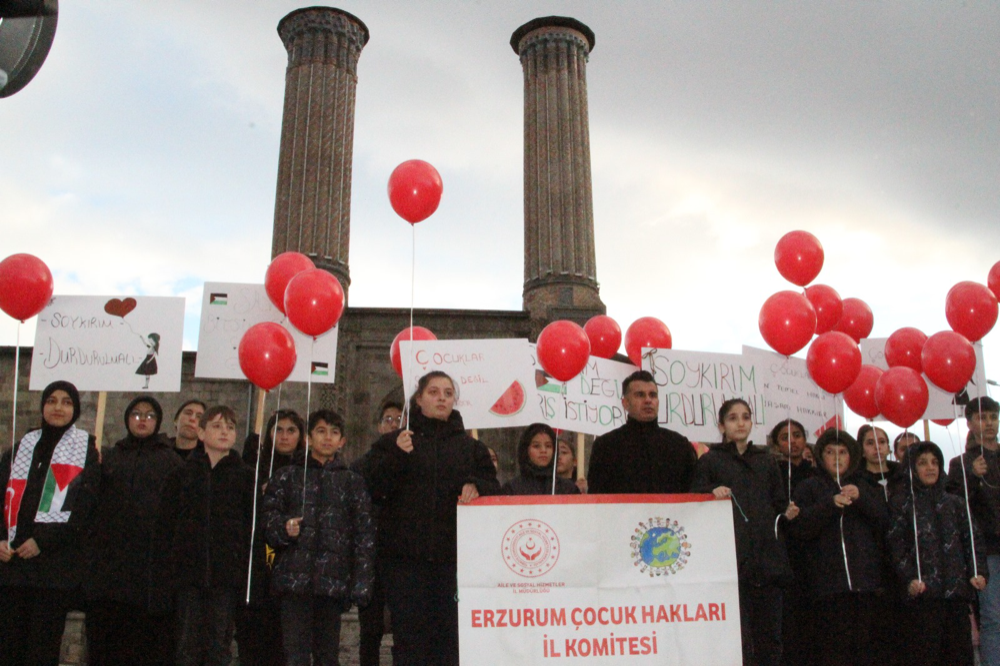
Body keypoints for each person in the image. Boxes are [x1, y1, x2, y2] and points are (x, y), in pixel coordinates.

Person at [362, 371, 500, 665]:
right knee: (410, 641)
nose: (441, 398)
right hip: (404, 562)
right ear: (419, 399)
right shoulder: (395, 442)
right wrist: (398, 456)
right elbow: (374, 488)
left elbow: (493, 488)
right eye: (434, 392)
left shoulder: (472, 448)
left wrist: (477, 484)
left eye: (448, 393)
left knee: (449, 641)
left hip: (452, 564)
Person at [262, 409, 375, 666]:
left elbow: (364, 535)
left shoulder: (352, 482)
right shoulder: (287, 476)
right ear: (309, 438)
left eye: (334, 432)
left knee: (327, 656)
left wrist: (361, 583)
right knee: (295, 655)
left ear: (342, 441)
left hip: (332, 585)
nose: (328, 438)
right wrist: (283, 528)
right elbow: (268, 521)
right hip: (293, 582)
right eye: (321, 431)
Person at [691, 398, 798, 666]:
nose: (741, 423)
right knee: (737, 638)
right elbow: (694, 499)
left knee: (770, 638)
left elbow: (778, 504)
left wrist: (788, 511)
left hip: (768, 563)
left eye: (746, 417)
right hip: (730, 564)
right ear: (721, 426)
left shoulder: (766, 461)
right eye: (733, 418)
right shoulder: (710, 461)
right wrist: (709, 493)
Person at [0, 381, 100, 666]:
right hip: (11, 568)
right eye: (52, 400)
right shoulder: (20, 449)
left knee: (40, 650)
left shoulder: (85, 450)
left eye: (67, 402)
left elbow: (85, 507)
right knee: (8, 647)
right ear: (43, 406)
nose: (58, 407)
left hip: (53, 572)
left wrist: (43, 541)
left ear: (75, 410)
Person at [85, 396, 184, 666]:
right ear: (127, 419)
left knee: (147, 647)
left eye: (150, 415)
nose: (143, 420)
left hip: (151, 575)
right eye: (137, 414)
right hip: (110, 573)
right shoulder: (110, 457)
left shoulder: (172, 461)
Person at [152, 405, 255, 666]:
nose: (224, 432)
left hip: (226, 578)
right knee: (187, 646)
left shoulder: (245, 477)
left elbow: (252, 529)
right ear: (201, 432)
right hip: (188, 576)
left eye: (230, 428)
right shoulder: (181, 474)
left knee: (218, 646)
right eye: (217, 426)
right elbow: (165, 527)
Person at [789, 429, 889, 666]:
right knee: (834, 650)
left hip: (865, 586)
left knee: (865, 649)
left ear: (852, 455)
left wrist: (861, 498)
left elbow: (884, 522)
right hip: (827, 589)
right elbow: (801, 528)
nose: (837, 458)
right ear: (820, 456)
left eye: (842, 452)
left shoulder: (865, 483)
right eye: (830, 452)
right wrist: (830, 504)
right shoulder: (808, 487)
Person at [888, 441, 987, 666]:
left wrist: (978, 572)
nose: (930, 468)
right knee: (926, 656)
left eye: (935, 462)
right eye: (922, 463)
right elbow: (896, 547)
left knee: (960, 657)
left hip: (956, 596)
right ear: (911, 468)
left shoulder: (956, 503)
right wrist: (909, 579)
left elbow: (973, 541)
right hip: (923, 597)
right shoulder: (903, 504)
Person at [236, 409, 307, 666]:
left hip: (292, 559)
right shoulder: (257, 465)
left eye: (291, 430)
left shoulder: (306, 468)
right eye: (278, 430)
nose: (284, 436)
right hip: (258, 559)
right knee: (255, 627)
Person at [947, 395, 1000, 666]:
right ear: (970, 423)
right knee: (993, 618)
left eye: (993, 417)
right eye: (982, 418)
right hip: (987, 550)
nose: (989, 423)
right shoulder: (960, 463)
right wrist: (971, 475)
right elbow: (955, 506)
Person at [588, 370, 696, 494]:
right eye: (640, 395)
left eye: (653, 395)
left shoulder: (679, 445)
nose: (648, 400)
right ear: (625, 403)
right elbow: (597, 497)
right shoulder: (606, 446)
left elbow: (693, 493)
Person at [354, 399, 403, 666]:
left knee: (405, 631)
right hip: (371, 558)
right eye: (388, 419)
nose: (394, 424)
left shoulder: (417, 461)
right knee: (370, 630)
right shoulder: (363, 464)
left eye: (399, 419)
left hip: (404, 557)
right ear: (378, 425)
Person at [768, 418, 814, 666]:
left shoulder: (816, 471)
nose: (792, 441)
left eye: (797, 435)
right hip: (786, 552)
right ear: (776, 444)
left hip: (815, 554)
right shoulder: (772, 471)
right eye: (785, 437)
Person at [504, 423, 580, 496]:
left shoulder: (568, 489)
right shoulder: (512, 489)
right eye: (536, 446)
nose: (543, 450)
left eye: (548, 446)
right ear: (526, 450)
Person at [856, 424, 899, 501]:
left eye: (882, 442)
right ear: (862, 451)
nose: (877, 447)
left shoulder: (902, 475)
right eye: (870, 443)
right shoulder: (855, 480)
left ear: (888, 449)